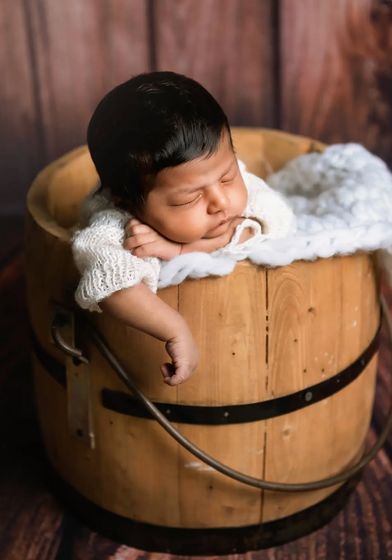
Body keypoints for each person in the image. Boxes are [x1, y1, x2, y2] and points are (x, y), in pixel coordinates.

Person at [72, 71, 296, 387]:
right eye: (189, 199)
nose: (220, 202)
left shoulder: (214, 172)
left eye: (228, 176)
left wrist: (180, 249)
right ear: (129, 203)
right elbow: (110, 282)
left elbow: (273, 219)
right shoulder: (117, 225)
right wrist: (174, 328)